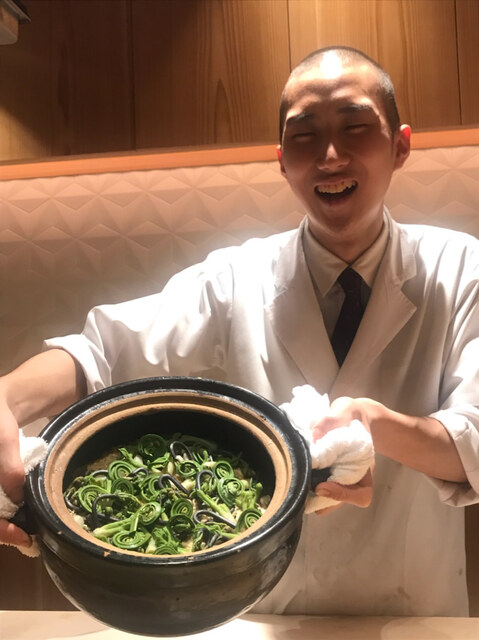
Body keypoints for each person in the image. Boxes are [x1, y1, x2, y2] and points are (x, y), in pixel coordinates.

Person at [1, 45, 479, 616]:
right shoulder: (235, 277)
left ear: (400, 146)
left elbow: (473, 442)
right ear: (281, 160)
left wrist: (372, 425)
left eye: (355, 127)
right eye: (304, 135)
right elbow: (101, 352)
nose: (330, 155)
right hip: (264, 612)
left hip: (413, 612)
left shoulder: (461, 269)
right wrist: (5, 399)